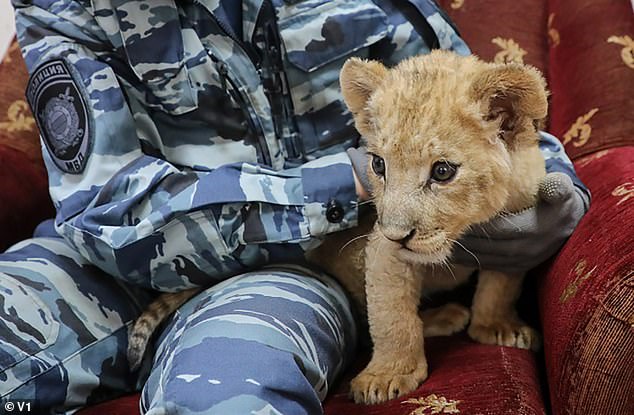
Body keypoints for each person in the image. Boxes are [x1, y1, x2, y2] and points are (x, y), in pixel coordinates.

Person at [2, 0, 589, 414]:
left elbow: (469, 103)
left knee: (227, 394)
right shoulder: (64, 5)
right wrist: (352, 180)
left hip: (292, 269)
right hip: (99, 264)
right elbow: (110, 217)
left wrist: (552, 186)